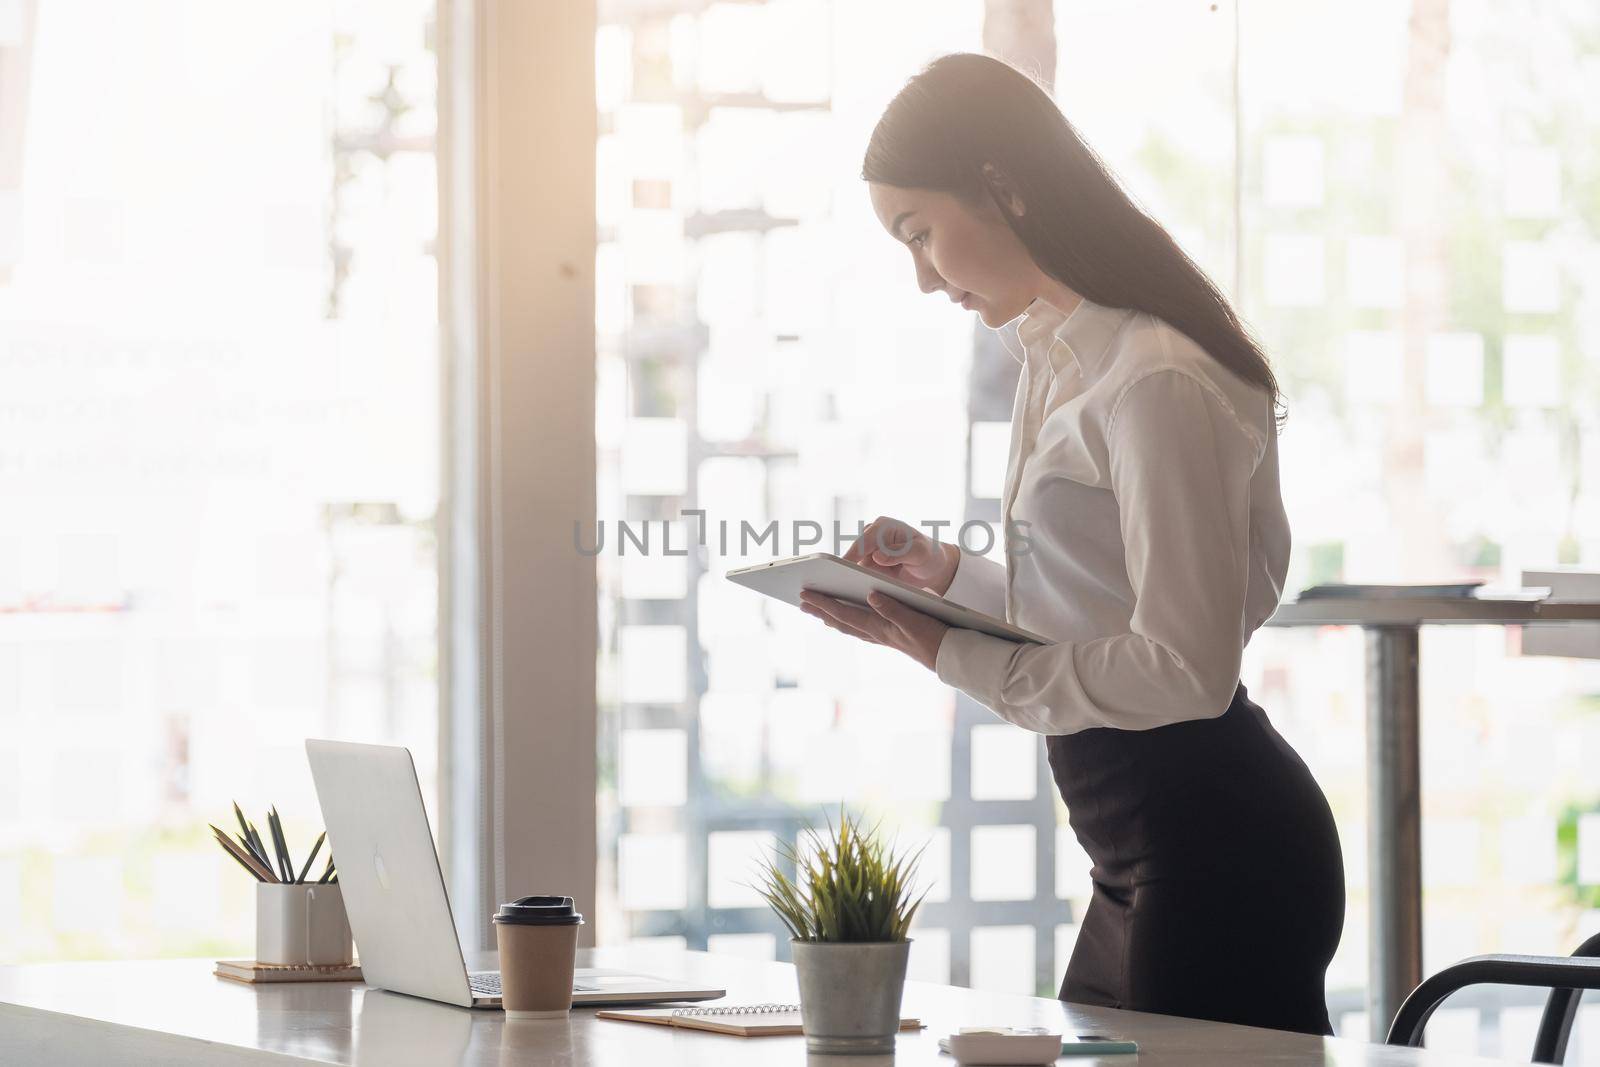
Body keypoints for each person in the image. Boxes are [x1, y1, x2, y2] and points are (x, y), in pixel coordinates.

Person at [796, 53, 1344, 1036]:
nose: (923, 278)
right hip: (1137, 850)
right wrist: (949, 578)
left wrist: (958, 656)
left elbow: (1183, 669)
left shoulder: (1152, 379)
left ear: (1002, 186)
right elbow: (1100, 612)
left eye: (921, 233)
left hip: (1217, 847)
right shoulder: (1055, 356)